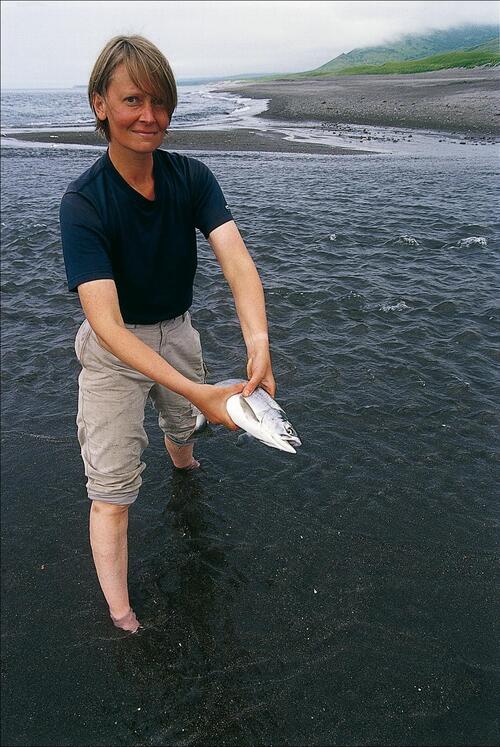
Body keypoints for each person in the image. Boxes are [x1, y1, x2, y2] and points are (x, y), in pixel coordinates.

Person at [59, 35, 275, 633]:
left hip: (177, 330)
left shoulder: (192, 177)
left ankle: (184, 462)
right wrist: (200, 388)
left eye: (161, 102)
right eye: (132, 99)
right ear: (100, 103)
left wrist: (258, 343)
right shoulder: (84, 202)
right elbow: (103, 322)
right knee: (111, 487)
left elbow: (236, 260)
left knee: (185, 424)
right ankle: (121, 610)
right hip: (113, 350)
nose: (148, 116)